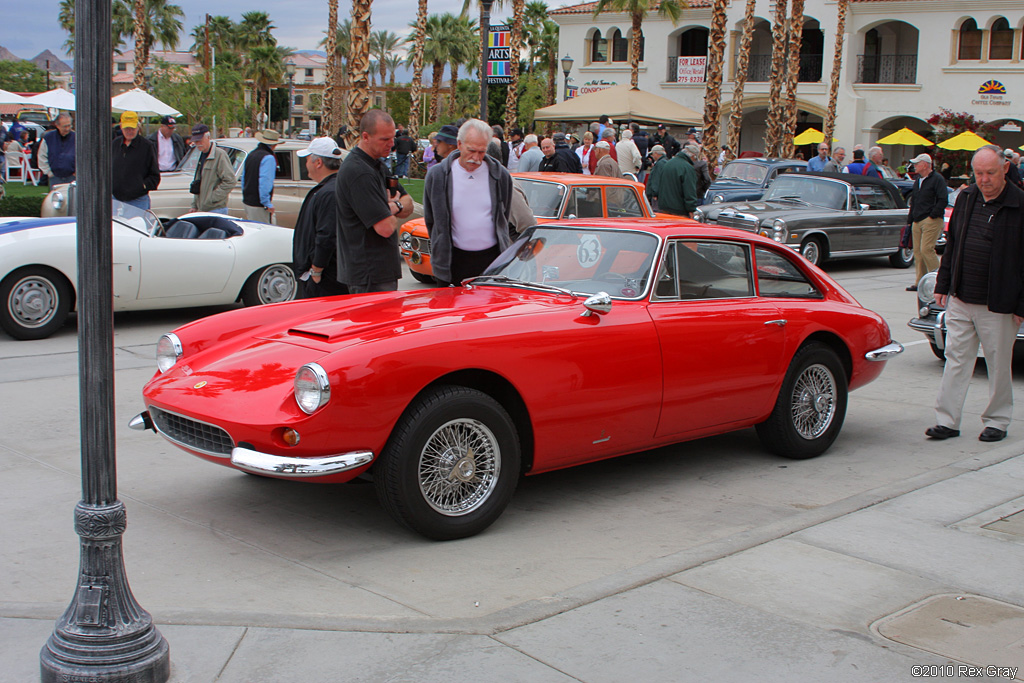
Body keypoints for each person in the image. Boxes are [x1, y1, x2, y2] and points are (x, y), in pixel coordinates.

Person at [926, 145, 1024, 443]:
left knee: (997, 363)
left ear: (1005, 168)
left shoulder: (1020, 204)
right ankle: (947, 420)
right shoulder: (967, 198)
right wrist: (943, 285)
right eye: (979, 173)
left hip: (999, 303)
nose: (984, 179)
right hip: (961, 297)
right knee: (956, 358)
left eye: (990, 173)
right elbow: (952, 244)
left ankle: (997, 420)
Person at [424, 118, 515, 287]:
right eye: (471, 150)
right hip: (451, 262)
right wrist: (440, 244)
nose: (476, 158)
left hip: (491, 262)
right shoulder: (437, 175)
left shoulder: (500, 176)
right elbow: (431, 219)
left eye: (482, 152)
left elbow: (504, 213)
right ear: (459, 144)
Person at [334, 109, 413, 293]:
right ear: (365, 137)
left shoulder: (376, 165)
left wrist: (393, 206)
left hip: (379, 272)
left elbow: (408, 202)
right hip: (368, 275)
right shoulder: (359, 172)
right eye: (384, 139)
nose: (392, 144)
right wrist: (395, 208)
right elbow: (385, 228)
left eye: (392, 138)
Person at [292, 137, 349, 298]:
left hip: (326, 280)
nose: (306, 164)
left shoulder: (330, 192)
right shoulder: (330, 188)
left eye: (308, 159)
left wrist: (316, 270)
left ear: (318, 163)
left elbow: (327, 235)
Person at [905, 153, 948, 291]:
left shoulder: (937, 179)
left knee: (926, 249)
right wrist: (910, 219)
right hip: (917, 219)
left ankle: (938, 280)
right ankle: (920, 282)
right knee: (917, 252)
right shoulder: (918, 180)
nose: (915, 166)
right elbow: (915, 201)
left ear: (925, 165)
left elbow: (942, 199)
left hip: (931, 219)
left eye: (917, 163)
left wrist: (933, 215)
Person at [111, 111, 160, 210]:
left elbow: (155, 175)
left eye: (132, 128)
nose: (129, 131)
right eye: (126, 128)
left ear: (138, 127)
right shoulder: (114, 144)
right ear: (121, 127)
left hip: (138, 200)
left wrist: (142, 185)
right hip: (116, 200)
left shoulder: (147, 146)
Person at [189, 123, 237, 214]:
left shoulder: (220, 155)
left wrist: (212, 198)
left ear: (208, 137)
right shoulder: (201, 155)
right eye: (195, 141)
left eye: (200, 140)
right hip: (203, 209)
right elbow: (198, 182)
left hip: (216, 209)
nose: (197, 143)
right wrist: (194, 205)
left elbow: (230, 181)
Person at [241, 129, 281, 223]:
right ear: (274, 145)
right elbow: (265, 182)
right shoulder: (268, 158)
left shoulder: (251, 154)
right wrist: (267, 203)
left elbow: (244, 178)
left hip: (248, 201)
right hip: (259, 204)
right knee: (265, 232)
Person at [650, 142, 698, 218]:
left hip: (664, 206)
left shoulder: (668, 164)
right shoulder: (687, 168)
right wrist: (691, 209)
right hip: (679, 209)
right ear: (693, 156)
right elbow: (689, 190)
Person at [38, 113, 75, 186]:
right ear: (57, 125)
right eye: (65, 126)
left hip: (72, 177)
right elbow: (41, 156)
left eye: (69, 125)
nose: (67, 129)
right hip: (54, 178)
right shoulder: (48, 138)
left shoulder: (76, 137)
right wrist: (49, 173)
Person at [644, 144, 667, 209]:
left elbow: (656, 179)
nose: (652, 156)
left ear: (656, 153)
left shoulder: (659, 164)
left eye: (652, 154)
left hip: (657, 196)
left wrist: (655, 193)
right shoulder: (665, 162)